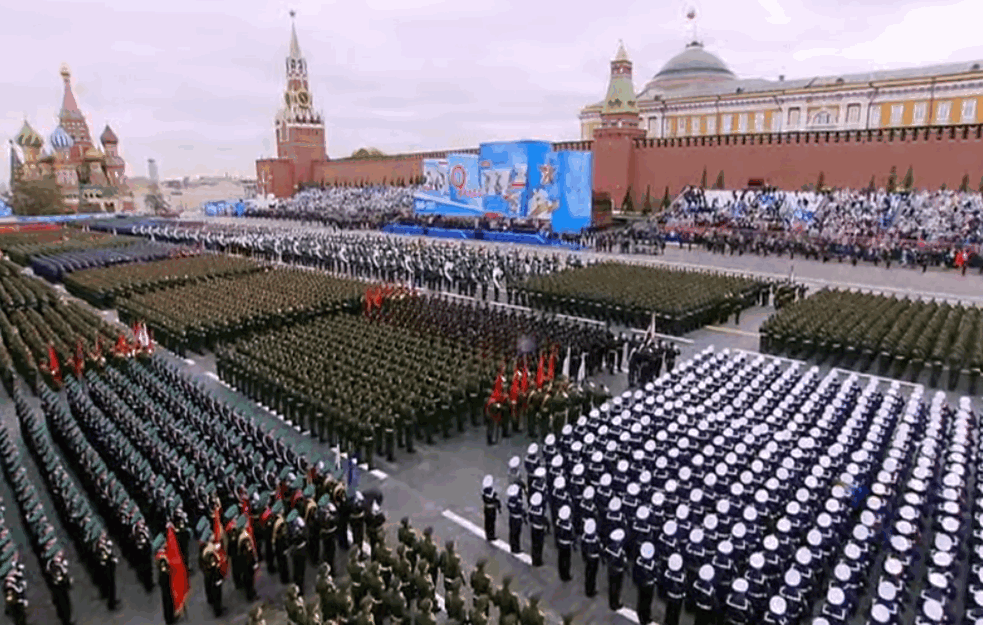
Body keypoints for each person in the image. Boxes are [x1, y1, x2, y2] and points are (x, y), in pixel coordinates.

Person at [633, 542, 657, 625]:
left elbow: (635, 572)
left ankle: (642, 615)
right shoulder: (652, 564)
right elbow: (655, 575)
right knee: (647, 602)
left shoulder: (638, 560)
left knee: (641, 600)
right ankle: (645, 617)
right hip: (649, 585)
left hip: (641, 583)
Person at [606, 528, 627, 611]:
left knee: (611, 587)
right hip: (618, 571)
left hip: (610, 570)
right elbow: (623, 563)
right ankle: (615, 604)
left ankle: (612, 603)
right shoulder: (620, 552)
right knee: (616, 588)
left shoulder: (609, 548)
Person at [582, 518, 601, 597]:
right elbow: (598, 549)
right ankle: (591, 591)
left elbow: (583, 548)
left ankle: (587, 589)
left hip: (587, 557)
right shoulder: (595, 539)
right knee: (592, 574)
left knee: (588, 573)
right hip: (594, 558)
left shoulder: (584, 537)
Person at [528, 492, 548, 567]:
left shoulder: (530, 509)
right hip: (540, 528)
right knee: (539, 545)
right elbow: (544, 520)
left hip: (533, 527)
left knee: (534, 544)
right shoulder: (541, 510)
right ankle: (538, 560)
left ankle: (534, 559)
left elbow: (530, 518)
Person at [555, 505, 574, 582]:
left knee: (560, 558)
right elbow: (571, 536)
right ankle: (566, 575)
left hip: (560, 542)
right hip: (566, 544)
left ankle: (561, 573)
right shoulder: (569, 526)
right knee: (566, 560)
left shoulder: (558, 522)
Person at [482, 475, 502, 542]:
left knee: (487, 522)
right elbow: (497, 500)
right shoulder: (493, 492)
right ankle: (491, 535)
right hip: (492, 509)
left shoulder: (483, 491)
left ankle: (487, 535)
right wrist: (499, 507)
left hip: (486, 508)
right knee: (492, 522)